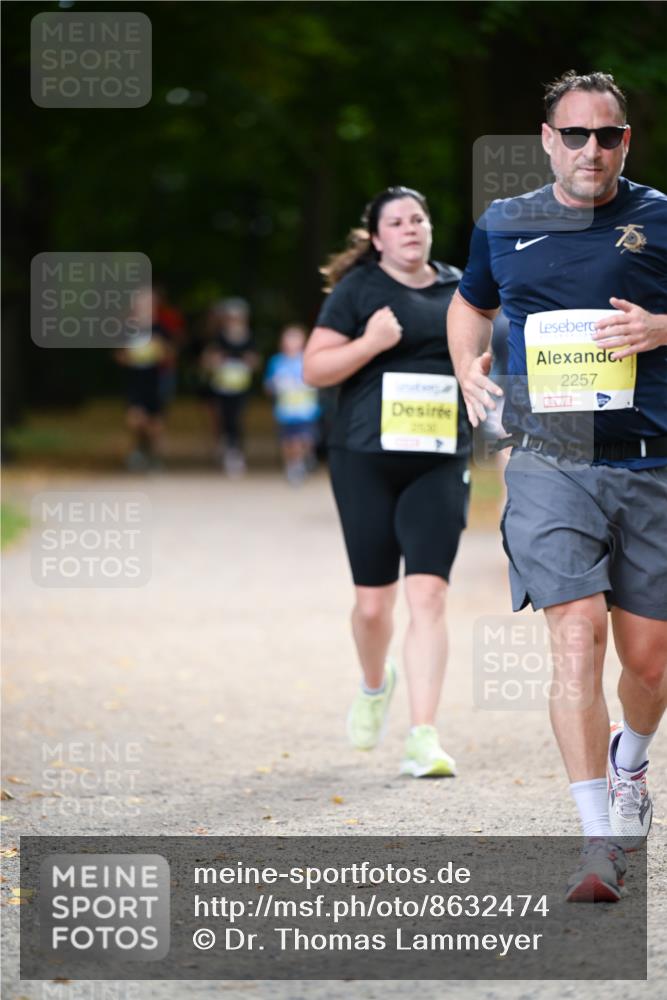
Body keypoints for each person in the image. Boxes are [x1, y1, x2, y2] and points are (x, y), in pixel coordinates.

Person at [447, 71, 667, 901]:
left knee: (648, 662)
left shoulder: (659, 217)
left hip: (651, 460)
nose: (589, 149)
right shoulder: (504, 223)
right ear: (547, 140)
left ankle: (630, 763)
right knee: (576, 635)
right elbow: (471, 304)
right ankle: (597, 843)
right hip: (548, 458)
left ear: (624, 141)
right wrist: (467, 369)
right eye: (572, 134)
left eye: (604, 135)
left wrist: (659, 328)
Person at [304, 186, 471, 778]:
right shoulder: (359, 290)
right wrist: (371, 342)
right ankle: (376, 684)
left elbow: (490, 352)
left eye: (419, 218)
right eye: (396, 222)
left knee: (429, 595)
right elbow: (314, 366)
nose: (410, 228)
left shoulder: (461, 287)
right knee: (374, 608)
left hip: (439, 456)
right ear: (376, 238)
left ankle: (423, 736)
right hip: (364, 459)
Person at [115, 286, 174, 471]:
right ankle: (140, 449)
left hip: (156, 381)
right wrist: (130, 356)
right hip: (135, 381)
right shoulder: (127, 329)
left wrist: (159, 350)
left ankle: (153, 457)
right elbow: (119, 356)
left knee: (155, 424)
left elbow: (170, 355)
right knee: (135, 420)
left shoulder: (160, 329)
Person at [200, 297, 260, 477]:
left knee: (237, 418)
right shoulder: (218, 338)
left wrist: (249, 363)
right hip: (222, 387)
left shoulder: (249, 337)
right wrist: (215, 362)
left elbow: (255, 361)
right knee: (223, 418)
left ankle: (235, 451)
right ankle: (225, 448)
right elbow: (208, 360)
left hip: (241, 386)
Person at [264, 323, 321, 484]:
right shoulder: (276, 361)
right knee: (289, 440)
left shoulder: (308, 359)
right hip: (286, 411)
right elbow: (268, 385)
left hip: (306, 410)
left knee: (306, 439)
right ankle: (293, 465)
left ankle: (305, 457)